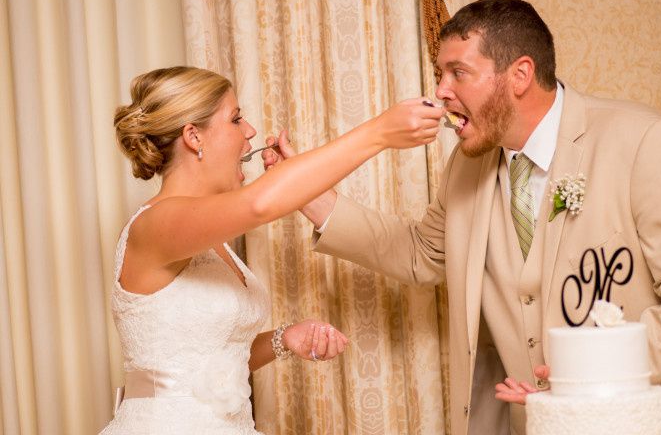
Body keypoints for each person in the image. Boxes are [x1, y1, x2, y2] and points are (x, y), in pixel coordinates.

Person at [262, 0, 661, 435]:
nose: (440, 92)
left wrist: (586, 371)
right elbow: (422, 254)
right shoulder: (467, 165)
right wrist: (307, 195)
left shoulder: (644, 141)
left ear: (519, 74)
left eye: (458, 73)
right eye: (439, 74)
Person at [99, 66, 443, 434]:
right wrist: (379, 133)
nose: (250, 132)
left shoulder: (212, 242)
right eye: (236, 119)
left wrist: (285, 339)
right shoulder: (155, 225)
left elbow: (207, 364)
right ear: (194, 136)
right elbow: (259, 205)